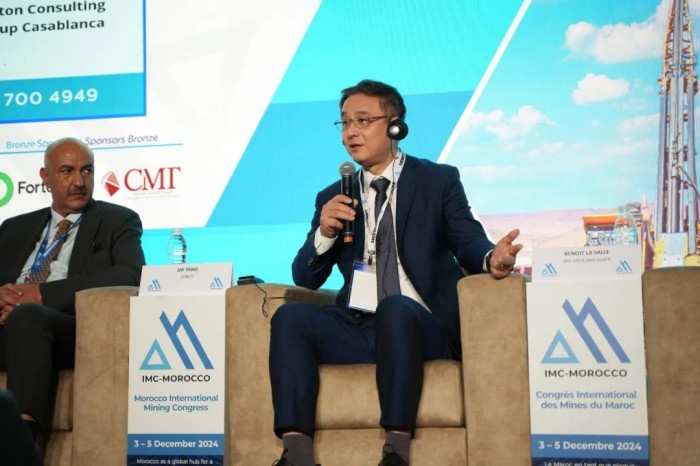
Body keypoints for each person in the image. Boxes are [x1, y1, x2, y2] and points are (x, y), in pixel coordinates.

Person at [268, 80, 522, 466]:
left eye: (363, 120)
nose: (351, 132)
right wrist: (325, 233)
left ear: (395, 126)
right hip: (359, 325)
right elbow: (305, 278)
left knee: (396, 308)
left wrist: (492, 258)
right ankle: (296, 455)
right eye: (344, 122)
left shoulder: (437, 181)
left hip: (420, 326)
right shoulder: (333, 195)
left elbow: (468, 240)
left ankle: (396, 452)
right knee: (290, 317)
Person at [0, 137, 146, 457]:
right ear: (45, 176)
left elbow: (132, 275)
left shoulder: (117, 220)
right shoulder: (14, 228)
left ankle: (18, 451)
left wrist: (41, 295)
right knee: (22, 319)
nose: (79, 181)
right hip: (7, 326)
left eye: (86, 171)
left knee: (28, 318)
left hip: (69, 328)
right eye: (67, 171)